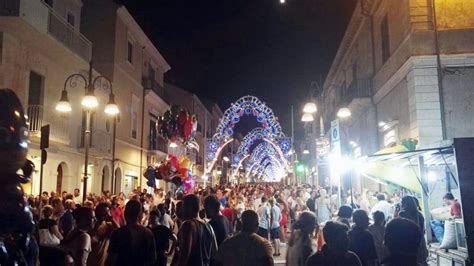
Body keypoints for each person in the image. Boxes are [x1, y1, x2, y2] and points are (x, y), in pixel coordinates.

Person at [106, 200, 157, 266]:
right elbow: (152, 259)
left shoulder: (118, 233)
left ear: (125, 213)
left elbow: (111, 259)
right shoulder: (148, 233)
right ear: (140, 214)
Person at [171, 194, 217, 266]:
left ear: (189, 208)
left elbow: (185, 254)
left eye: (183, 206)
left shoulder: (188, 225)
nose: (182, 210)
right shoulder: (209, 226)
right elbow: (214, 253)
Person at [398, 196, 428, 266]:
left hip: (408, 244)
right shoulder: (420, 215)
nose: (401, 204)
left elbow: (398, 229)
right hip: (420, 243)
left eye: (402, 202)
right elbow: (423, 230)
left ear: (405, 204)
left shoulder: (402, 214)